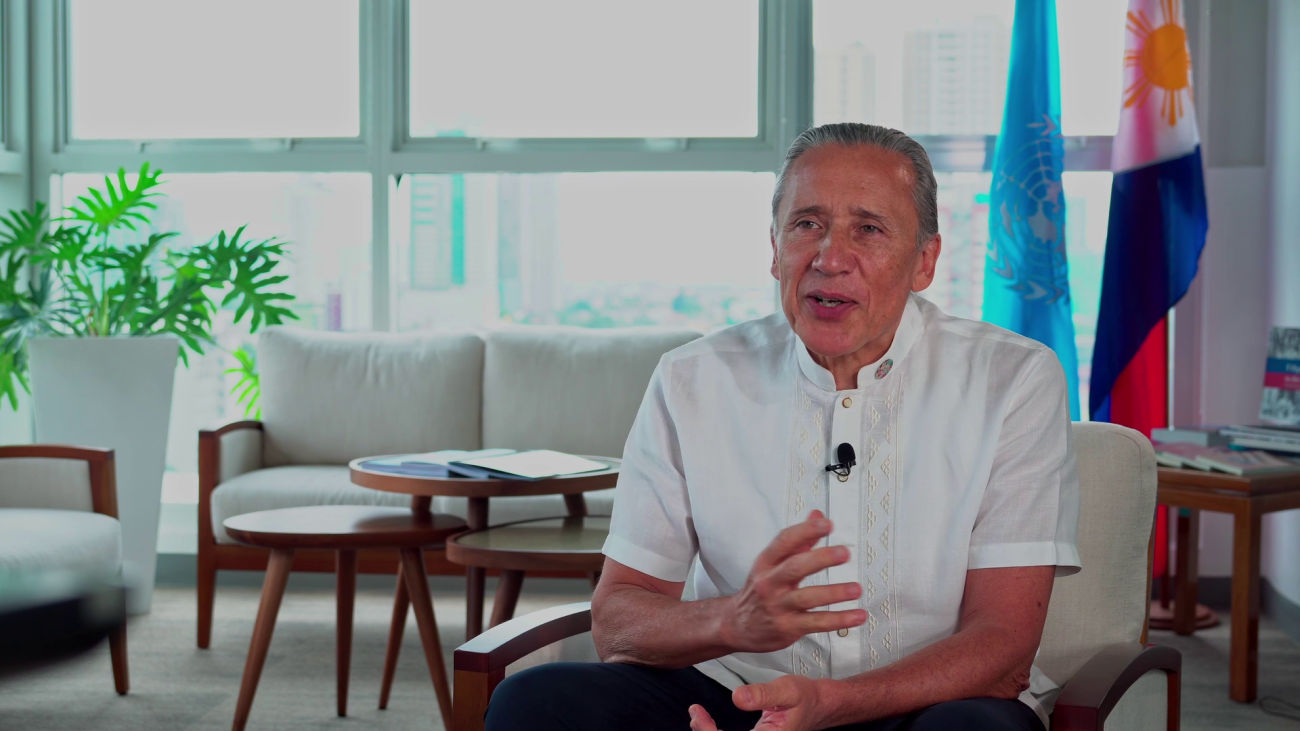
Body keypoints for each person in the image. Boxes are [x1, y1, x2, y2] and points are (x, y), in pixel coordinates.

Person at [486, 123, 1080, 731]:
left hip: (920, 705)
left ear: (925, 260)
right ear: (774, 248)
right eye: (808, 225)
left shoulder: (1014, 378)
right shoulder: (693, 379)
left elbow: (1004, 645)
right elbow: (617, 622)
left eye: (868, 229)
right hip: (732, 695)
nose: (830, 259)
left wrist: (831, 705)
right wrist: (731, 621)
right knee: (534, 704)